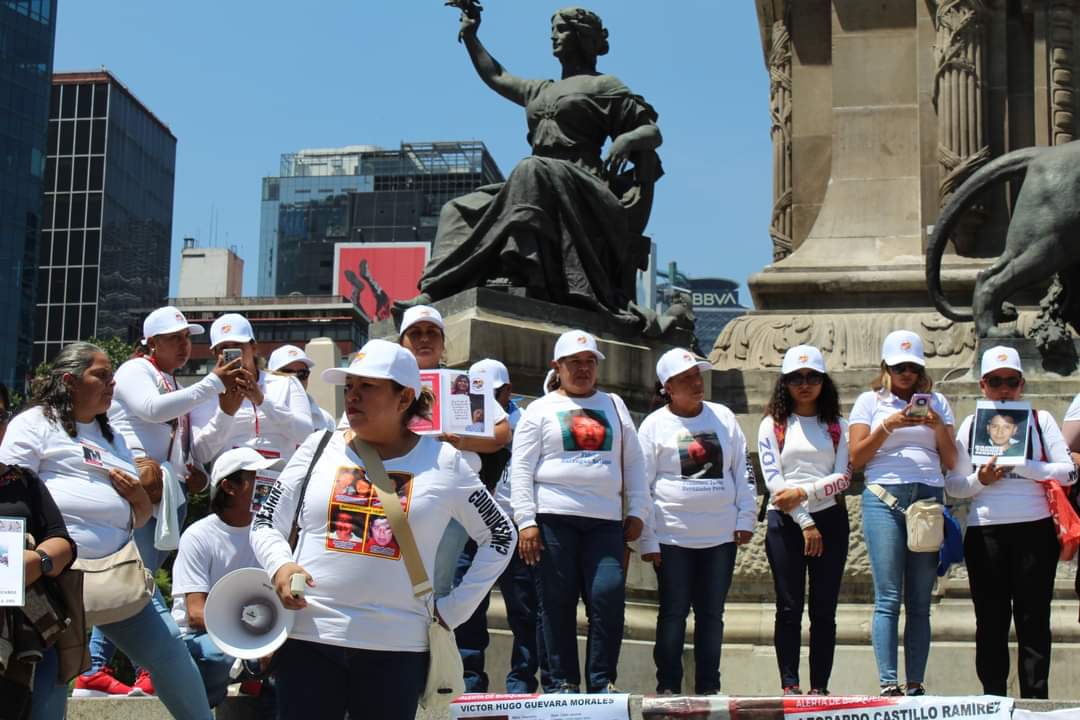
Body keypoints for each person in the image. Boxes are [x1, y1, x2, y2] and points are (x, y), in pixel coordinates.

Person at [249, 339, 514, 720]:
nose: (352, 397)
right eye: (349, 387)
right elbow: (264, 520)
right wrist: (280, 566)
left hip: (397, 649)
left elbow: (501, 536)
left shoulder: (445, 462)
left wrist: (452, 612)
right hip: (308, 639)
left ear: (404, 398)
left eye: (367, 387)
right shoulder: (317, 447)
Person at [402, 4, 662, 324]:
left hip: (584, 183)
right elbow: (496, 75)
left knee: (530, 169)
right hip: (538, 179)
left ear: (583, 36)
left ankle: (520, 270)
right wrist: (471, 35)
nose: (554, 36)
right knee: (457, 208)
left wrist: (626, 140)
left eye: (562, 28)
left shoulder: (605, 86)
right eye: (552, 29)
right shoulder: (541, 89)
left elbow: (652, 131)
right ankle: (437, 288)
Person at [0, 342, 212, 720]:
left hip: (117, 574)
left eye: (112, 374)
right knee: (51, 678)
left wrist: (141, 502)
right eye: (100, 374)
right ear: (68, 380)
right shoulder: (33, 424)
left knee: (171, 657)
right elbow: (11, 498)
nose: (112, 382)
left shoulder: (113, 436)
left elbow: (139, 515)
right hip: (52, 581)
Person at [77, 306, 242, 698]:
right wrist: (213, 385)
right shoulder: (137, 370)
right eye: (175, 338)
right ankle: (140, 669)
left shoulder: (168, 380)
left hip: (162, 492)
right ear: (151, 342)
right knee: (135, 579)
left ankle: (95, 671)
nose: (185, 345)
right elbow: (151, 409)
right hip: (137, 488)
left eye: (187, 338)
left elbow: (192, 447)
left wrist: (226, 413)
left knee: (132, 579)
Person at [510, 330, 649, 693]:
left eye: (590, 362)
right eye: (575, 363)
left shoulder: (615, 405)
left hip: (604, 521)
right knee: (555, 602)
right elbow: (521, 468)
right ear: (557, 367)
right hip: (553, 518)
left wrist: (637, 509)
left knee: (608, 594)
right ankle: (561, 682)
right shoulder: (539, 410)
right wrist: (526, 522)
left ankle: (602, 680)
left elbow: (634, 461)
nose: (584, 369)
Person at [947, 346, 1076, 698]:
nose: (1004, 389)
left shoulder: (1040, 419)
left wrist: (1022, 466)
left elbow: (1068, 471)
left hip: (1034, 530)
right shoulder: (972, 424)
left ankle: (1036, 700)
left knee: (1034, 619)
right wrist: (981, 481)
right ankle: (993, 698)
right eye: (995, 382)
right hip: (986, 530)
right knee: (990, 621)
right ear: (982, 385)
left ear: (1021, 384)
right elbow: (954, 485)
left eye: (1011, 382)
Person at [638, 348, 756, 696]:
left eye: (698, 375)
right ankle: (668, 687)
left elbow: (743, 471)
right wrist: (647, 539)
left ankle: (709, 687)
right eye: (687, 378)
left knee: (712, 615)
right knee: (672, 614)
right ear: (668, 387)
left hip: (720, 537)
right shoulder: (654, 425)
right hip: (672, 537)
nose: (696, 382)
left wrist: (746, 516)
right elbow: (641, 486)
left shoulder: (723, 417)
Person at [848, 330, 958, 697]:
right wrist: (888, 425)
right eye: (899, 367)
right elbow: (856, 459)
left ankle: (915, 683)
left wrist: (937, 426)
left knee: (921, 601)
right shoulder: (869, 401)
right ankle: (888, 683)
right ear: (886, 368)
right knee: (888, 596)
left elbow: (952, 460)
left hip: (927, 500)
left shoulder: (938, 402)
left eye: (912, 367)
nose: (906, 374)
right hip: (884, 495)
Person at [397, 305, 511, 600]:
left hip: (452, 495)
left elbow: (501, 433)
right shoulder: (388, 384)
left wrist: (458, 442)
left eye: (432, 333)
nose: (424, 339)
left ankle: (435, 644)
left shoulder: (461, 384)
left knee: (440, 583)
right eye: (415, 333)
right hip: (400, 491)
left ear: (443, 342)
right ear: (402, 342)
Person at [454, 359, 553, 694]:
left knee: (524, 610)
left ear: (507, 390)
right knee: (467, 607)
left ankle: (522, 683)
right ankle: (469, 681)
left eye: (491, 393)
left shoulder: (526, 422)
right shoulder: (461, 422)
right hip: (469, 529)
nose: (483, 400)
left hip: (512, 528)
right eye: (477, 393)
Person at [757, 345, 850, 696]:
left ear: (824, 381)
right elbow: (775, 483)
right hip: (786, 523)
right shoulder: (773, 424)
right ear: (785, 382)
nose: (805, 384)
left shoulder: (839, 426)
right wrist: (804, 520)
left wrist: (806, 493)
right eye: (796, 377)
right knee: (789, 606)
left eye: (813, 377)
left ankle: (820, 688)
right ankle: (790, 685)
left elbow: (843, 477)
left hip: (832, 521)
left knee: (824, 610)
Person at [171, 447, 276, 707]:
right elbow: (196, 614)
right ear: (229, 487)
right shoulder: (198, 536)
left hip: (255, 633)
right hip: (200, 638)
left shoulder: (271, 533)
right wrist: (256, 642)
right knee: (216, 655)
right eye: (258, 477)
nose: (269, 483)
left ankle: (257, 685)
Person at [0, 462, 76, 719]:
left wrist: (40, 561)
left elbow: (63, 543)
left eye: (1, 419)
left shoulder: (24, 480)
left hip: (25, 632)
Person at [192, 314, 314, 467]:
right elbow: (200, 454)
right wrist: (225, 413)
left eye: (238, 345)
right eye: (224, 348)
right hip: (232, 482)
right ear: (215, 354)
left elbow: (305, 434)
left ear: (253, 348)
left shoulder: (287, 383)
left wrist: (262, 400)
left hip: (277, 478)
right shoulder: (206, 392)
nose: (233, 354)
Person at [268, 345, 336, 432]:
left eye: (302, 373)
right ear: (271, 376)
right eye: (287, 373)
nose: (295, 380)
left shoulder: (325, 420)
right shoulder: (256, 414)